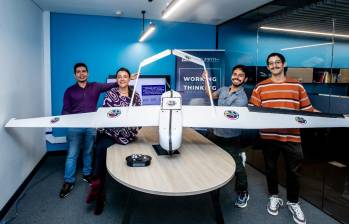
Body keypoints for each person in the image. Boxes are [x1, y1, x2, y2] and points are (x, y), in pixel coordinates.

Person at [249, 53, 315, 224]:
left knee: (293, 172)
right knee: (270, 169)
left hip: (292, 137)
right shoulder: (260, 87)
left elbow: (308, 110)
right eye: (271, 63)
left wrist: (335, 118)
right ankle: (274, 197)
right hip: (268, 136)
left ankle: (293, 202)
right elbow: (252, 110)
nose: (275, 65)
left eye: (277, 62)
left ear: (284, 64)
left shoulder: (297, 85)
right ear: (268, 67)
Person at [59, 63, 137, 198]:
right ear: (75, 75)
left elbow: (114, 85)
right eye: (78, 72)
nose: (81, 74)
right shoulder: (69, 91)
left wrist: (129, 78)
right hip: (75, 127)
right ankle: (68, 181)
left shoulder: (95, 86)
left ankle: (87, 174)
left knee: (89, 151)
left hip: (91, 126)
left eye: (84, 71)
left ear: (87, 73)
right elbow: (65, 110)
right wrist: (68, 121)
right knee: (72, 154)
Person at [85, 67, 141, 215]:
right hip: (110, 132)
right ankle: (98, 192)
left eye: (125, 76)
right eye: (119, 77)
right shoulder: (111, 93)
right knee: (101, 151)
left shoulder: (136, 96)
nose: (122, 79)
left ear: (129, 79)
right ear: (117, 80)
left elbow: (139, 118)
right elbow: (106, 115)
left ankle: (99, 185)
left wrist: (132, 129)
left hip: (127, 135)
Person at [202, 65, 250, 208]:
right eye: (234, 74)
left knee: (237, 166)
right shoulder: (223, 89)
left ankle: (243, 191)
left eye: (240, 75)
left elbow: (227, 116)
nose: (236, 77)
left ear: (245, 79)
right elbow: (209, 94)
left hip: (230, 137)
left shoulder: (242, 98)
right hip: (216, 133)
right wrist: (206, 80)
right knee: (214, 160)